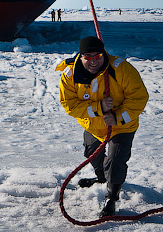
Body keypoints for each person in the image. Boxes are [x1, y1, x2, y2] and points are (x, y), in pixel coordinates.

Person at [56, 36, 149, 216]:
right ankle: (101, 177)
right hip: (93, 125)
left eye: (97, 56)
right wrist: (98, 108)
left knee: (115, 162)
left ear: (104, 54)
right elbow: (69, 105)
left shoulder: (120, 69)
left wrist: (117, 117)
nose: (93, 61)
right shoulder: (70, 73)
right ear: (80, 56)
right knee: (92, 153)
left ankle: (112, 197)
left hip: (122, 126)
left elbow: (139, 97)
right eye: (87, 57)